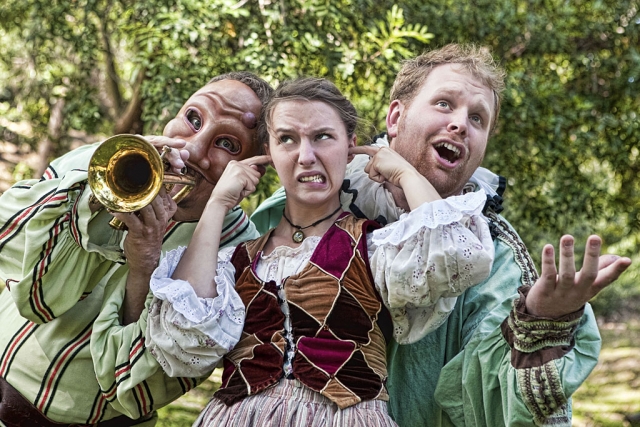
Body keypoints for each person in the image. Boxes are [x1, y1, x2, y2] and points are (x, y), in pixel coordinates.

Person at [250, 45, 632, 426]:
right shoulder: (298, 206)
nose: (461, 124)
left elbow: (490, 397)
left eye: (478, 119)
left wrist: (541, 320)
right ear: (396, 117)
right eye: (445, 104)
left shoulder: (492, 252)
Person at [143, 77, 496, 426]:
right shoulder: (235, 261)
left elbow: (453, 250)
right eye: (287, 140)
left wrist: (402, 171)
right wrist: (219, 201)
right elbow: (182, 338)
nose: (306, 157)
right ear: (269, 154)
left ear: (350, 145)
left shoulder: (376, 247)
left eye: (323, 137)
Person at [0, 71, 273, 426]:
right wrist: (91, 197)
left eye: (228, 144)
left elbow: (138, 384)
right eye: (193, 118)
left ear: (253, 170)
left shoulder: (238, 250)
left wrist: (142, 268)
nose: (192, 149)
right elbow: (9, 240)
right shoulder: (107, 159)